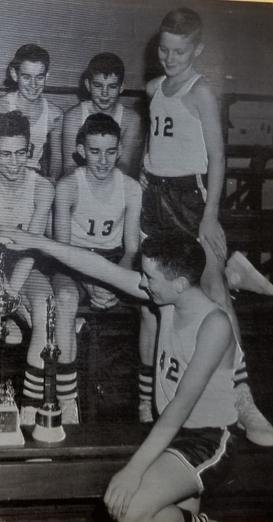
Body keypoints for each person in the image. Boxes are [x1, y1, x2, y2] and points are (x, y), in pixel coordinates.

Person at [0, 226, 240, 522]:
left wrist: (132, 471)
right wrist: (37, 242)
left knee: (126, 510)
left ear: (179, 283)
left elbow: (181, 406)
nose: (144, 284)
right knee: (161, 518)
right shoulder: (169, 298)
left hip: (207, 440)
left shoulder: (215, 324)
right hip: (172, 433)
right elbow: (99, 267)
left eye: (150, 278)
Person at [140, 7, 273, 445]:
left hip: (190, 200)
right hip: (156, 197)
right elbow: (158, 140)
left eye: (179, 50)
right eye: (164, 48)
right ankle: (156, 397)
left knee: (214, 294)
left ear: (197, 49)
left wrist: (211, 213)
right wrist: (145, 167)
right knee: (155, 299)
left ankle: (242, 397)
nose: (169, 57)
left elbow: (216, 157)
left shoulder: (201, 92)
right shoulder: (155, 88)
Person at [52, 113, 142, 423]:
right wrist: (91, 281)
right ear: (80, 150)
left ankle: (147, 400)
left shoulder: (131, 188)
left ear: (119, 151)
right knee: (64, 300)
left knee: (155, 300)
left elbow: (131, 250)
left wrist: (115, 281)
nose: (103, 160)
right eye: (94, 151)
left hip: (115, 259)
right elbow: (63, 251)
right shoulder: (67, 186)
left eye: (110, 151)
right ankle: (66, 402)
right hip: (73, 261)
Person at [0, 110, 55, 425]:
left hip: (25, 267)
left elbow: (32, 248)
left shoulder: (43, 187)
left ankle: (31, 406)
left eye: (21, 153)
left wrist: (13, 296)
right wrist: (6, 297)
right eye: (5, 154)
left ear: (30, 150)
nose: (14, 162)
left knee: (46, 308)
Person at [0, 44, 63, 181]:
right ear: (14, 74)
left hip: (35, 179)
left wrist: (51, 182)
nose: (33, 85)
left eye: (39, 77)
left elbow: (56, 159)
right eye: (26, 77)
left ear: (47, 76)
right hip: (3, 177)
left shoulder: (54, 114)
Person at [63, 53, 143, 180]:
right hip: (81, 182)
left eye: (112, 86)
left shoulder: (131, 119)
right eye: (98, 85)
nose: (104, 93)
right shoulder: (73, 117)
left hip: (114, 181)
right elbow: (69, 166)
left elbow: (125, 165)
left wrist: (104, 183)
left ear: (121, 87)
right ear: (88, 85)